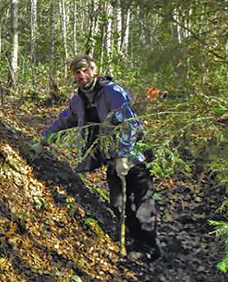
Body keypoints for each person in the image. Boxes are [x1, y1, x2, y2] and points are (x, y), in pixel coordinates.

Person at [31, 54, 161, 261]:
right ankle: (136, 240)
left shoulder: (113, 92)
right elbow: (64, 120)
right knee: (119, 205)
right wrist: (42, 142)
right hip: (112, 159)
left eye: (85, 71)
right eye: (77, 72)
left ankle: (150, 249)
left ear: (94, 72)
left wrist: (124, 157)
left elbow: (130, 123)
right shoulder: (79, 100)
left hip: (135, 157)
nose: (82, 75)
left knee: (143, 202)